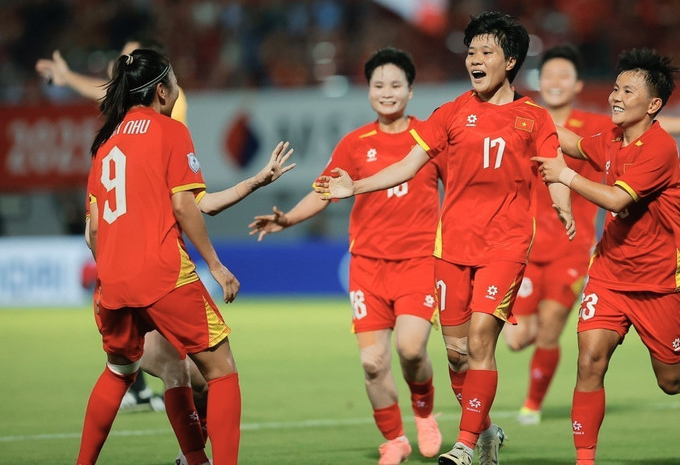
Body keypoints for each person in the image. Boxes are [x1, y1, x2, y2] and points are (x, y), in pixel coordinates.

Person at [314, 12, 575, 465]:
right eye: (470, 51)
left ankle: (465, 445)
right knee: (456, 355)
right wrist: (353, 186)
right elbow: (407, 166)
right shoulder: (451, 113)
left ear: (510, 61)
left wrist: (562, 201)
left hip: (506, 246)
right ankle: (488, 431)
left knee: (479, 342)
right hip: (451, 248)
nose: (474, 59)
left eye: (485, 52)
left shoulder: (533, 118)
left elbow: (553, 168)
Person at [506, 45, 680, 425]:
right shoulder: (612, 137)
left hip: (659, 280)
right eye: (615, 88)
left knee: (670, 379)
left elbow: (616, 198)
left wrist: (566, 175)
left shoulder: (660, 147)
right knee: (589, 362)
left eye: (627, 91)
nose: (616, 96)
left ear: (652, 105)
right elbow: (575, 143)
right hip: (609, 273)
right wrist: (518, 111)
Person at [249, 47, 443, 465]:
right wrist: (288, 221)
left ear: (410, 91)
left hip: (419, 264)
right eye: (378, 85)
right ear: (368, 91)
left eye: (395, 85)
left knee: (411, 350)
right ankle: (394, 441)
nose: (387, 92)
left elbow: (461, 187)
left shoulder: (430, 138)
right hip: (368, 268)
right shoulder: (355, 144)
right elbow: (323, 191)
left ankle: (425, 412)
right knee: (373, 363)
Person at [80, 49, 244, 465]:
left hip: (113, 282)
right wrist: (216, 264)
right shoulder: (170, 131)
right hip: (163, 274)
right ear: (161, 91)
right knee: (221, 369)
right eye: (174, 82)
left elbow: (93, 231)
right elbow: (186, 206)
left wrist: (117, 271)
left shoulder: (105, 145)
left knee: (119, 370)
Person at [38, 36, 187, 413]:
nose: (121, 65)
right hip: (145, 239)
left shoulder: (149, 120)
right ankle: (191, 442)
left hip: (157, 232)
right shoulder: (120, 132)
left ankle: (143, 388)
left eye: (130, 58)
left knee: (174, 366)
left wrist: (70, 78)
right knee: (183, 366)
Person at [36, 35, 188, 124]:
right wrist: (67, 77)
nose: (118, 62)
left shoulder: (171, 96)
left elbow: (109, 93)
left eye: (127, 60)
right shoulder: (133, 100)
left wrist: (68, 77)